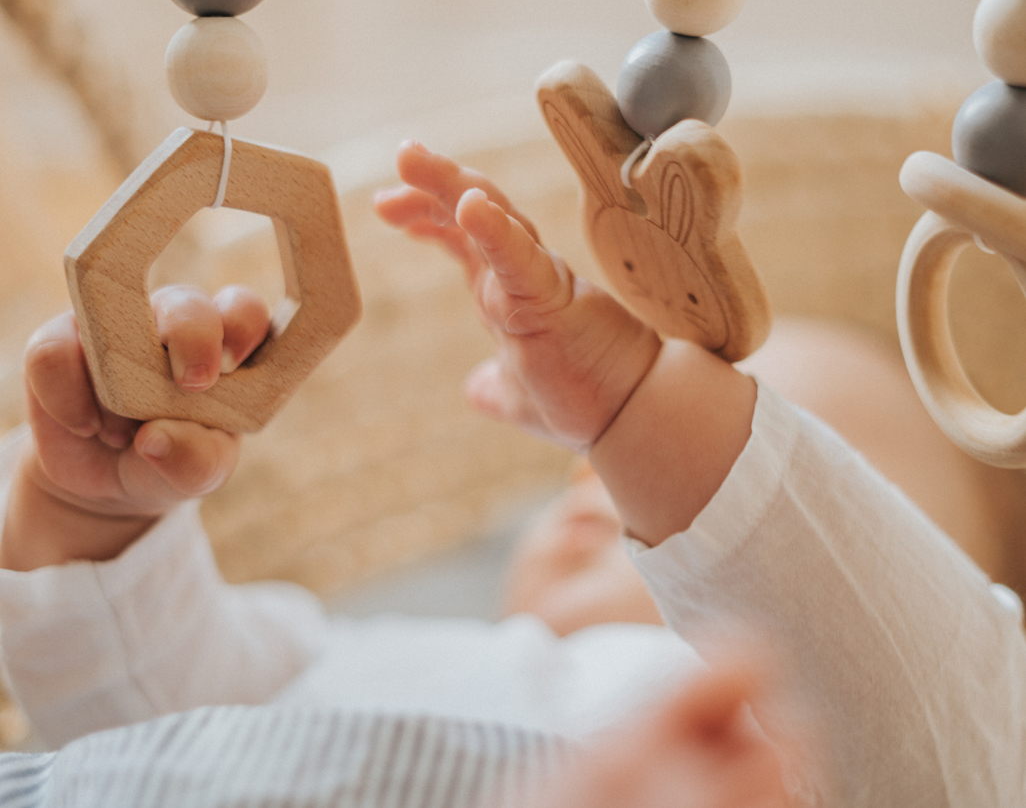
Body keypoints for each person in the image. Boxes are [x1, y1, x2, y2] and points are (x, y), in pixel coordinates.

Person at [0, 140, 1023, 806]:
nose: (600, 484)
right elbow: (158, 709)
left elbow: (926, 696)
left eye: (693, 490)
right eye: (596, 469)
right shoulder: (406, 658)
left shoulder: (820, 760)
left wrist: (639, 401)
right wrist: (101, 518)